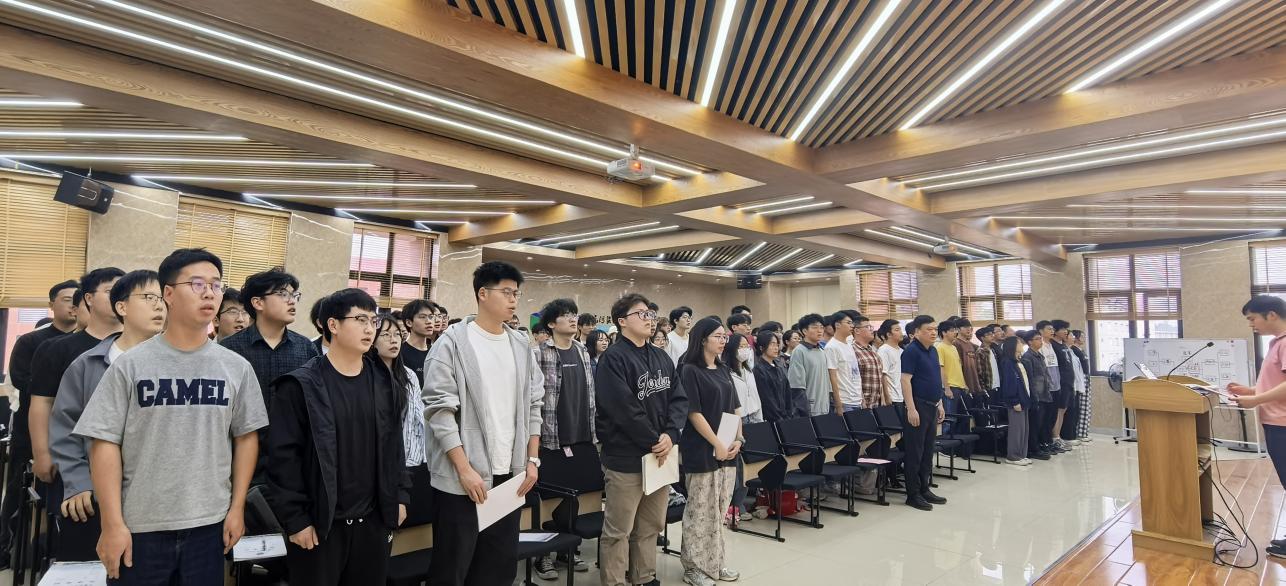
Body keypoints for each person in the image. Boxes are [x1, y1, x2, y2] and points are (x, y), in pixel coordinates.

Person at [75, 248, 267, 583]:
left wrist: (237, 508)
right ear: (168, 294)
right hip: (141, 526)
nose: (209, 293)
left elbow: (246, 437)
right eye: (197, 284)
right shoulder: (131, 365)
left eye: (216, 285)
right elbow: (104, 442)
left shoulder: (236, 367)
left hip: (209, 525)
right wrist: (112, 523)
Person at [268, 290, 410, 585]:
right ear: (332, 325)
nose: (370, 328)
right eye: (360, 319)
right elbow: (283, 459)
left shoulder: (384, 381)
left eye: (373, 320)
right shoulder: (299, 385)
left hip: (373, 521)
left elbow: (394, 445)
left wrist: (399, 496)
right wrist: (296, 519)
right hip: (320, 525)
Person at [423, 261, 544, 586]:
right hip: (463, 478)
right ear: (482, 293)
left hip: (510, 475)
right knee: (453, 568)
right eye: (506, 292)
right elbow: (439, 413)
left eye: (516, 293)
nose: (513, 299)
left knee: (498, 567)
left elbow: (535, 404)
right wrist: (464, 469)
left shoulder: (521, 345)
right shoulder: (451, 344)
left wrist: (532, 460)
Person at [49, 270, 166, 561]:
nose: (159, 305)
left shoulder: (176, 365)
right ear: (121, 306)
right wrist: (78, 483)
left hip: (156, 498)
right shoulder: (88, 364)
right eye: (149, 297)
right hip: (97, 493)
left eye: (163, 298)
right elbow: (66, 429)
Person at [594, 293, 687, 586]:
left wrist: (671, 434)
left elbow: (679, 399)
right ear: (622, 321)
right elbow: (623, 409)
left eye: (650, 314)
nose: (649, 319)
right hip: (626, 457)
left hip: (660, 455)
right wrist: (654, 439)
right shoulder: (613, 359)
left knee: (651, 524)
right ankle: (614, 581)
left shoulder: (661, 357)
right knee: (618, 529)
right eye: (641, 314)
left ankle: (644, 576)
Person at [29, 266, 125, 542]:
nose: (119, 297)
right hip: (74, 458)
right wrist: (42, 454)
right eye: (111, 291)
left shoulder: (139, 349)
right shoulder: (58, 348)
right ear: (88, 299)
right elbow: (42, 403)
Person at [0, 278, 78, 561]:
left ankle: (45, 551)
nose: (73, 305)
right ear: (51, 304)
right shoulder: (31, 341)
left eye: (78, 300)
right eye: (67, 299)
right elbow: (23, 381)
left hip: (68, 433)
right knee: (17, 491)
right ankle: (6, 549)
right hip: (29, 430)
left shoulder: (87, 342)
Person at [221, 268, 319, 484]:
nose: (291, 301)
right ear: (258, 303)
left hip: (293, 462)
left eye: (294, 295)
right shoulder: (229, 350)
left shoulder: (306, 349)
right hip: (240, 457)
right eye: (283, 294)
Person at [531, 298, 596, 579]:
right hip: (550, 438)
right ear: (551, 323)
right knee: (548, 498)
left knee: (573, 497)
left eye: (574, 314)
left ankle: (566, 550)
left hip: (580, 436)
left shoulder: (582, 351)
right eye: (566, 315)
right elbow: (531, 399)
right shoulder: (538, 353)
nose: (573, 319)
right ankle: (542, 556)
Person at [676, 317, 741, 586]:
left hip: (728, 448)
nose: (723, 341)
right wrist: (716, 443)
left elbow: (735, 407)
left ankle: (715, 561)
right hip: (702, 449)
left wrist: (738, 438)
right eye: (718, 336)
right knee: (700, 511)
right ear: (703, 339)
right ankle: (693, 567)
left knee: (719, 511)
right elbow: (693, 413)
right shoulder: (689, 370)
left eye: (725, 336)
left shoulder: (723, 369)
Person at [1228, 296, 1286, 558]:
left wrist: (1255, 400)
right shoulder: (1277, 343)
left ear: (1271, 315)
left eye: (1253, 319)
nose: (1251, 325)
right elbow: (1276, 384)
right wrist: (1251, 390)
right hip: (1275, 422)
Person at [367, 311, 426, 471]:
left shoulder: (409, 375)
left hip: (412, 460)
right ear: (372, 341)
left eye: (397, 334)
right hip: (377, 462)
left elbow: (418, 417)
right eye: (385, 335)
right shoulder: (365, 375)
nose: (393, 340)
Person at [899, 315, 947, 511]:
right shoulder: (911, 351)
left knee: (927, 451)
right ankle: (913, 494)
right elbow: (905, 380)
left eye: (935, 329)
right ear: (917, 332)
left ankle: (924, 488)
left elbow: (935, 379)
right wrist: (911, 408)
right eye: (929, 329)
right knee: (915, 452)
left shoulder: (933, 350)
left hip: (932, 406)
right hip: (917, 406)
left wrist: (940, 403)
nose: (933, 332)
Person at [1019, 330, 1055, 459]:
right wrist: (1034, 397)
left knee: (1043, 422)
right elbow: (1030, 380)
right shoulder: (1027, 357)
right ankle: (1033, 450)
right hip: (1036, 396)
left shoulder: (1039, 355)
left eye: (1040, 338)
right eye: (1037, 339)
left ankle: (1041, 445)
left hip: (1044, 394)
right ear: (1030, 342)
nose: (1041, 341)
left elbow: (1044, 376)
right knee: (1035, 424)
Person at [997, 335, 1032, 466]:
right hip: (1016, 401)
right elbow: (1009, 384)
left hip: (1024, 399)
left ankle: (1022, 454)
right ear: (1012, 346)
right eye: (1019, 343)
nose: (1021, 344)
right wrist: (1014, 400)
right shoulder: (1007, 362)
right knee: (1016, 430)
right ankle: (1013, 456)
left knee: (1024, 429)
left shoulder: (1019, 361)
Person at [822, 311, 861, 414]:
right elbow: (832, 377)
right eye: (848, 323)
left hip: (857, 399)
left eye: (852, 323)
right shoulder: (831, 347)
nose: (852, 326)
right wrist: (838, 404)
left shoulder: (849, 345)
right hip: (845, 401)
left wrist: (862, 398)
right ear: (837, 325)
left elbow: (856, 373)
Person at [753, 331, 795, 422]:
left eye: (777, 344)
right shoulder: (759, 370)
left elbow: (787, 393)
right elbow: (767, 399)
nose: (776, 348)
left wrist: (788, 414)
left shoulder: (779, 367)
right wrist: (779, 418)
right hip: (772, 419)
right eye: (772, 344)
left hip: (785, 417)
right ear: (761, 347)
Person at [1049, 320, 1080, 448]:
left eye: (1066, 329)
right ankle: (1055, 437)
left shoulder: (1063, 345)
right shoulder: (1053, 346)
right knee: (1059, 410)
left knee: (1064, 410)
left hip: (1069, 383)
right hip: (1061, 383)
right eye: (1062, 329)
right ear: (1055, 331)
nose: (1066, 331)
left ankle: (1058, 436)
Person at [1035, 321, 1063, 452]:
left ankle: (1049, 441)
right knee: (1045, 417)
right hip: (1046, 389)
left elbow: (1055, 368)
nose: (1052, 331)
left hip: (1056, 386)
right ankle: (1043, 442)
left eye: (1053, 329)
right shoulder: (1040, 346)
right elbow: (1043, 371)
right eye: (1049, 329)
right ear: (1041, 331)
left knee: (1052, 416)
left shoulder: (1051, 345)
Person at [933, 318, 965, 434]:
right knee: (948, 419)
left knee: (957, 419)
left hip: (958, 387)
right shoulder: (939, 347)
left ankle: (954, 443)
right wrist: (946, 388)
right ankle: (945, 443)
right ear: (944, 332)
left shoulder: (953, 347)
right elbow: (940, 369)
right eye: (952, 330)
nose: (955, 332)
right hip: (949, 387)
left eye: (955, 330)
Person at [851, 313, 888, 408]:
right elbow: (854, 379)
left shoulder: (872, 351)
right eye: (868, 327)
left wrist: (883, 398)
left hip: (877, 404)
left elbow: (880, 377)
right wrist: (862, 401)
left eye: (871, 327)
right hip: (862, 405)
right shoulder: (852, 351)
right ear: (857, 330)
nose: (872, 330)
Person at [725, 334, 762, 424]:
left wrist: (760, 418)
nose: (744, 349)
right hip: (738, 419)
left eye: (746, 346)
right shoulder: (726, 373)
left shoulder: (749, 371)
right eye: (741, 346)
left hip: (754, 417)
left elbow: (755, 396)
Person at [401, 299, 436, 386]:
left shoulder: (435, 351)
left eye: (431, 317)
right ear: (409, 322)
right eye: (422, 317)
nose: (429, 321)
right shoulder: (400, 353)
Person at [876, 320, 906, 418]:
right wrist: (886, 397)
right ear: (888, 334)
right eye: (897, 330)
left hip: (902, 396)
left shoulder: (902, 351)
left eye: (900, 329)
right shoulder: (884, 350)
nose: (901, 332)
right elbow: (883, 375)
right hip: (892, 397)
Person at [951, 318, 984, 398]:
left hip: (974, 382)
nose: (968, 329)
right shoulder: (956, 343)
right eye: (965, 327)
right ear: (958, 329)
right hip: (964, 384)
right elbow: (958, 366)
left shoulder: (970, 344)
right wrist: (963, 383)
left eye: (969, 327)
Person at [1070, 330, 1093, 442]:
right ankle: (1079, 433)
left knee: (1086, 407)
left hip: (1086, 378)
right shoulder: (1073, 350)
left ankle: (1084, 432)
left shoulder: (1081, 350)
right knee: (1080, 407)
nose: (1084, 338)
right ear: (1076, 338)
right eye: (1082, 336)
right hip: (1080, 379)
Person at [975, 326, 1000, 397]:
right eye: (988, 334)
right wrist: (983, 389)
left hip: (996, 385)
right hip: (988, 387)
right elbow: (979, 372)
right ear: (982, 338)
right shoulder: (980, 351)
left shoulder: (992, 350)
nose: (992, 336)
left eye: (992, 333)